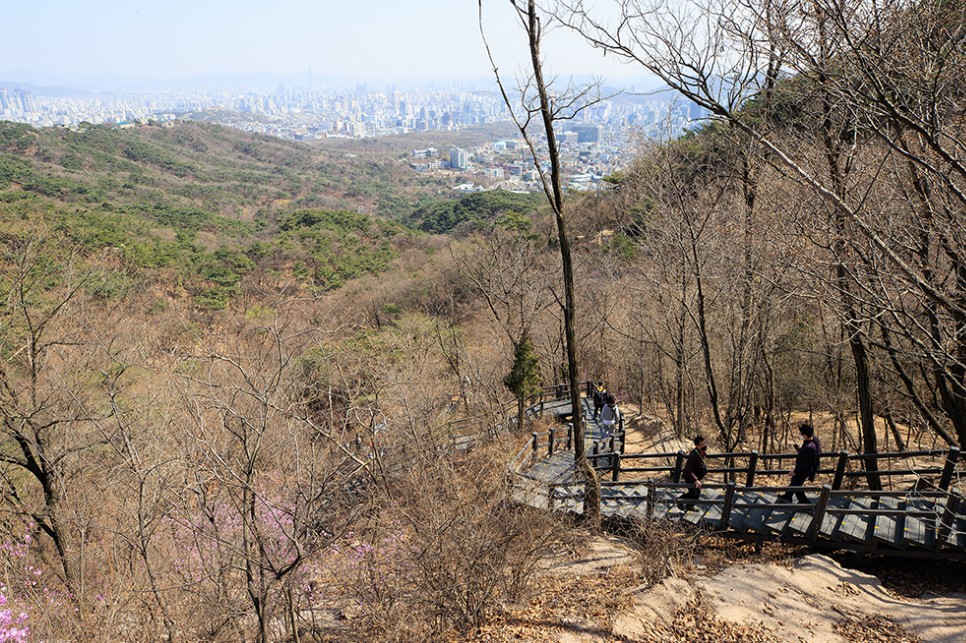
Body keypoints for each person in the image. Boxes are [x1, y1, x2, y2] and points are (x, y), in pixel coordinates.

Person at [780, 421, 819, 504]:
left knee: (796, 484)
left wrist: (795, 471)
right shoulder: (812, 442)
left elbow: (806, 463)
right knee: (795, 482)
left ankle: (805, 503)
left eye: (801, 434)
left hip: (804, 470)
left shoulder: (809, 447)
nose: (800, 435)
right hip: (805, 468)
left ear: (805, 435)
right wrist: (799, 449)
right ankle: (788, 496)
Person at [679, 436, 708, 510]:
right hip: (689, 476)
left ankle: (689, 505)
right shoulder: (693, 455)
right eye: (702, 444)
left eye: (704, 443)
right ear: (697, 446)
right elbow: (688, 470)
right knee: (693, 493)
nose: (704, 445)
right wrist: (696, 480)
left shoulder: (702, 452)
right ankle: (680, 500)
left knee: (696, 493)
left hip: (694, 475)